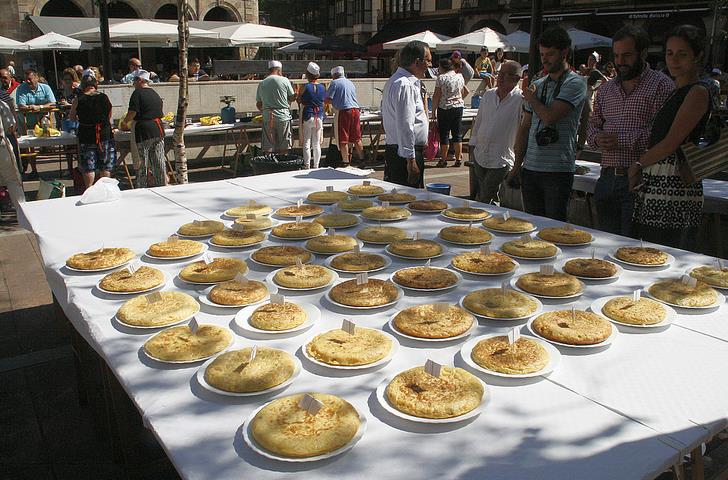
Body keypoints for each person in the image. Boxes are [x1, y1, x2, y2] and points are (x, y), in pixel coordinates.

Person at [586, 25, 674, 237]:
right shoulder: (606, 89)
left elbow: (662, 134)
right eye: (616, 55)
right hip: (606, 178)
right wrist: (597, 138)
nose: (620, 61)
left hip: (641, 180)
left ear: (643, 53)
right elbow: (592, 125)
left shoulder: (661, 85)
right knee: (605, 243)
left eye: (627, 55)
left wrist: (622, 140)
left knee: (633, 247)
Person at [628, 25, 710, 251]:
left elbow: (672, 142)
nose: (674, 60)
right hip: (658, 182)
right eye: (669, 53)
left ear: (698, 56)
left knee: (664, 253)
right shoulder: (676, 91)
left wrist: (638, 164)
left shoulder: (697, 92)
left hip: (674, 185)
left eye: (682, 54)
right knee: (646, 252)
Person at [506, 26, 587, 221]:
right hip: (531, 169)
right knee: (531, 226)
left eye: (550, 54)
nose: (545, 59)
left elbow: (550, 117)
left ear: (564, 52)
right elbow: (525, 127)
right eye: (542, 54)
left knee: (554, 230)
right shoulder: (539, 84)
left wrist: (532, 98)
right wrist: (517, 166)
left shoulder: (575, 83)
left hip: (557, 171)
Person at [469, 60, 524, 204]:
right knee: (488, 195)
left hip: (501, 158)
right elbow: (479, 120)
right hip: (480, 154)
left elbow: (523, 130)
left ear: (516, 79)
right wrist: (473, 146)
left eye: (506, 75)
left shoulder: (520, 99)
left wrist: (519, 161)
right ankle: (494, 220)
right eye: (500, 73)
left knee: (486, 195)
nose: (500, 77)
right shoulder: (489, 95)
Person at [382, 40, 431, 188]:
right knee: (407, 201)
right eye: (428, 61)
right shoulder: (405, 84)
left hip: (401, 150)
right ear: (417, 62)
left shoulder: (398, 81)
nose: (430, 65)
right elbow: (406, 124)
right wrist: (411, 160)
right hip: (404, 154)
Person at [69, 70, 116, 189]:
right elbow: (109, 115)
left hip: (86, 136)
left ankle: (89, 189)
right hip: (104, 135)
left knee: (89, 166)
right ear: (95, 86)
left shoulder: (78, 99)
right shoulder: (104, 97)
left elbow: (72, 117)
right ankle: (105, 189)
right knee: (105, 165)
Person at [120, 70, 166, 188]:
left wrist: (125, 122)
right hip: (158, 128)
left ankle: (142, 186)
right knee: (159, 160)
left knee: (142, 161)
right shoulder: (154, 93)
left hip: (144, 130)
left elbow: (132, 112)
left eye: (135, 81)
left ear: (140, 81)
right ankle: (161, 184)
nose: (133, 84)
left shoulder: (137, 93)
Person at [431, 58, 468, 168]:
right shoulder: (459, 76)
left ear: (442, 67)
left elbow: (436, 96)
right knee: (457, 134)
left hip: (444, 108)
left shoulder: (441, 78)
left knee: (444, 134)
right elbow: (465, 91)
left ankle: (443, 160)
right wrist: (458, 99)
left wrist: (433, 112)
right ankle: (458, 159)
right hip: (458, 107)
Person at [325, 66, 364, 165]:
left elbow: (327, 99)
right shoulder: (350, 83)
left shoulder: (334, 83)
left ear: (334, 76)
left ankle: (346, 162)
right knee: (356, 138)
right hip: (356, 110)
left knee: (343, 138)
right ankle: (362, 160)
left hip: (344, 111)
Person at [255, 60, 296, 154]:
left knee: (268, 145)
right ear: (278, 70)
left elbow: (259, 104)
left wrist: (265, 111)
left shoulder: (262, 83)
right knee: (284, 145)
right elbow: (292, 97)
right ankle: (283, 166)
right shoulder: (285, 80)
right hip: (283, 116)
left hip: (268, 117)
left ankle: (270, 166)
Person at [297, 62, 325, 169]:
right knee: (316, 143)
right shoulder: (322, 87)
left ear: (307, 74)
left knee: (307, 142)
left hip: (308, 115)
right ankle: (316, 165)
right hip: (319, 116)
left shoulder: (305, 87)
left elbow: (300, 100)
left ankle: (307, 165)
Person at [0, 96, 24, 210]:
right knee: (13, 180)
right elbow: (10, 128)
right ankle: (22, 211)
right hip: (1, 147)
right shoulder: (2, 105)